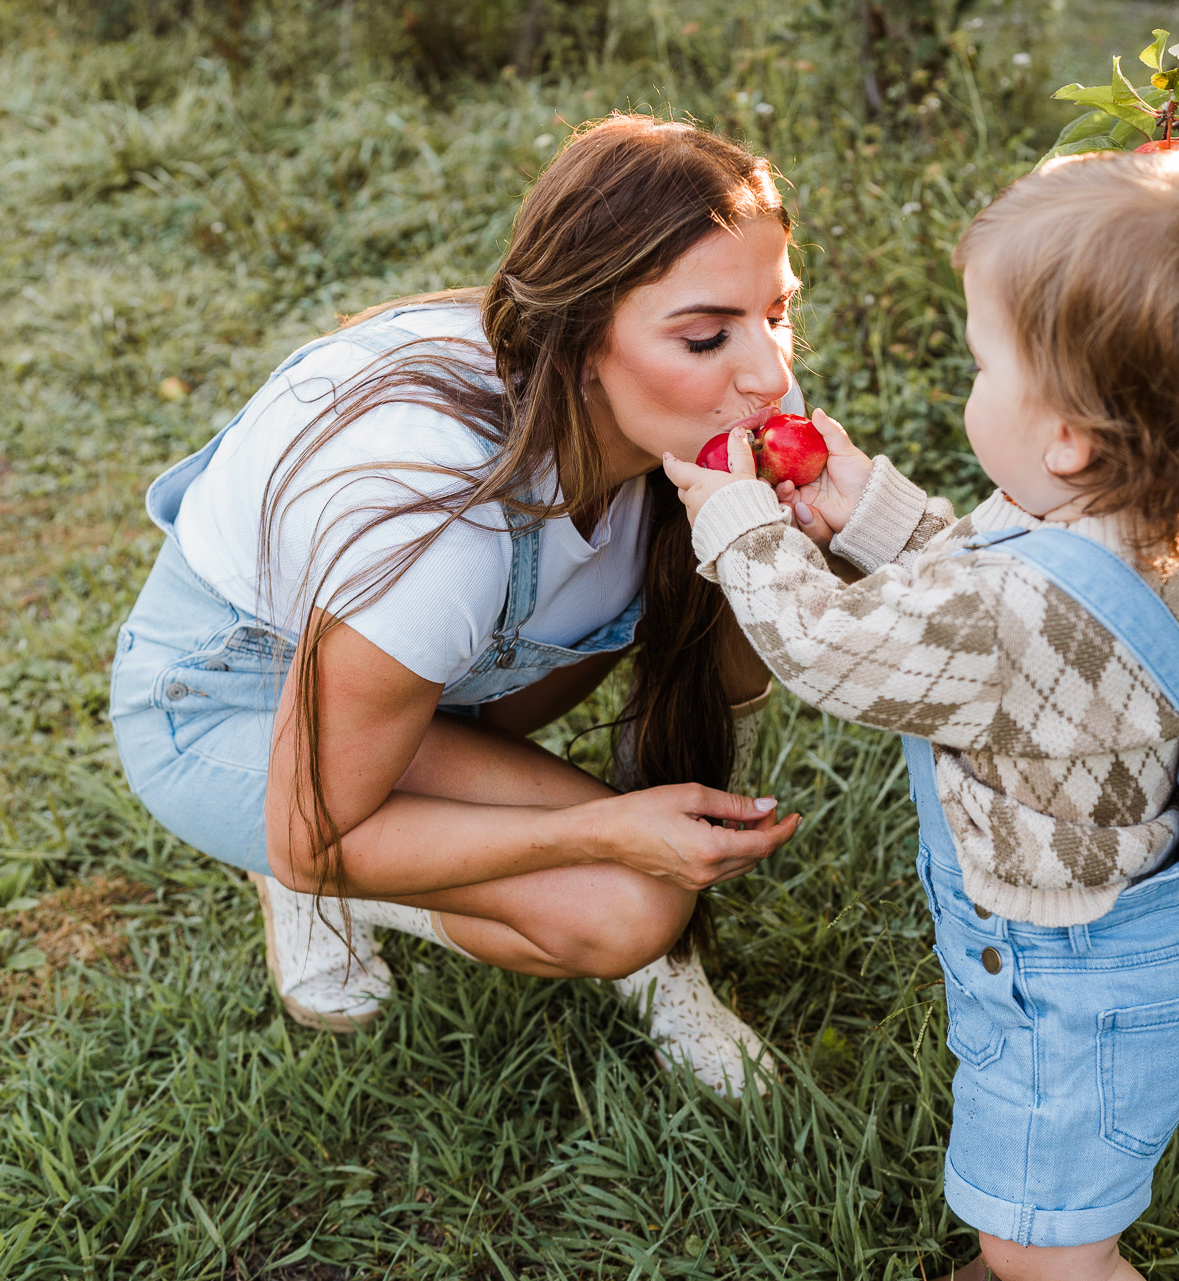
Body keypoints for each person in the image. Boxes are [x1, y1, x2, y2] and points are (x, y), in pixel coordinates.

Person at [663, 150, 1179, 1277]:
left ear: (1067, 437)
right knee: (1041, 1211)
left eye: (980, 365)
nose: (971, 389)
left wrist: (741, 526)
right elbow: (992, 597)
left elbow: (831, 648)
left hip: (1062, 979)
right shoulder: (1165, 533)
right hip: (1116, 949)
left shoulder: (1015, 604)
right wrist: (862, 509)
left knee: (1043, 1250)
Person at [108, 114, 807, 1097]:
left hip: (423, 676)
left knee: (626, 858)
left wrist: (768, 546)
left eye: (776, 313)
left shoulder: (699, 411)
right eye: (706, 335)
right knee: (628, 906)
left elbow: (731, 676)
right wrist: (604, 830)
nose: (770, 374)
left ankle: (399, 821)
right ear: (581, 342)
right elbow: (318, 831)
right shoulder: (439, 521)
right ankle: (321, 894)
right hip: (235, 700)